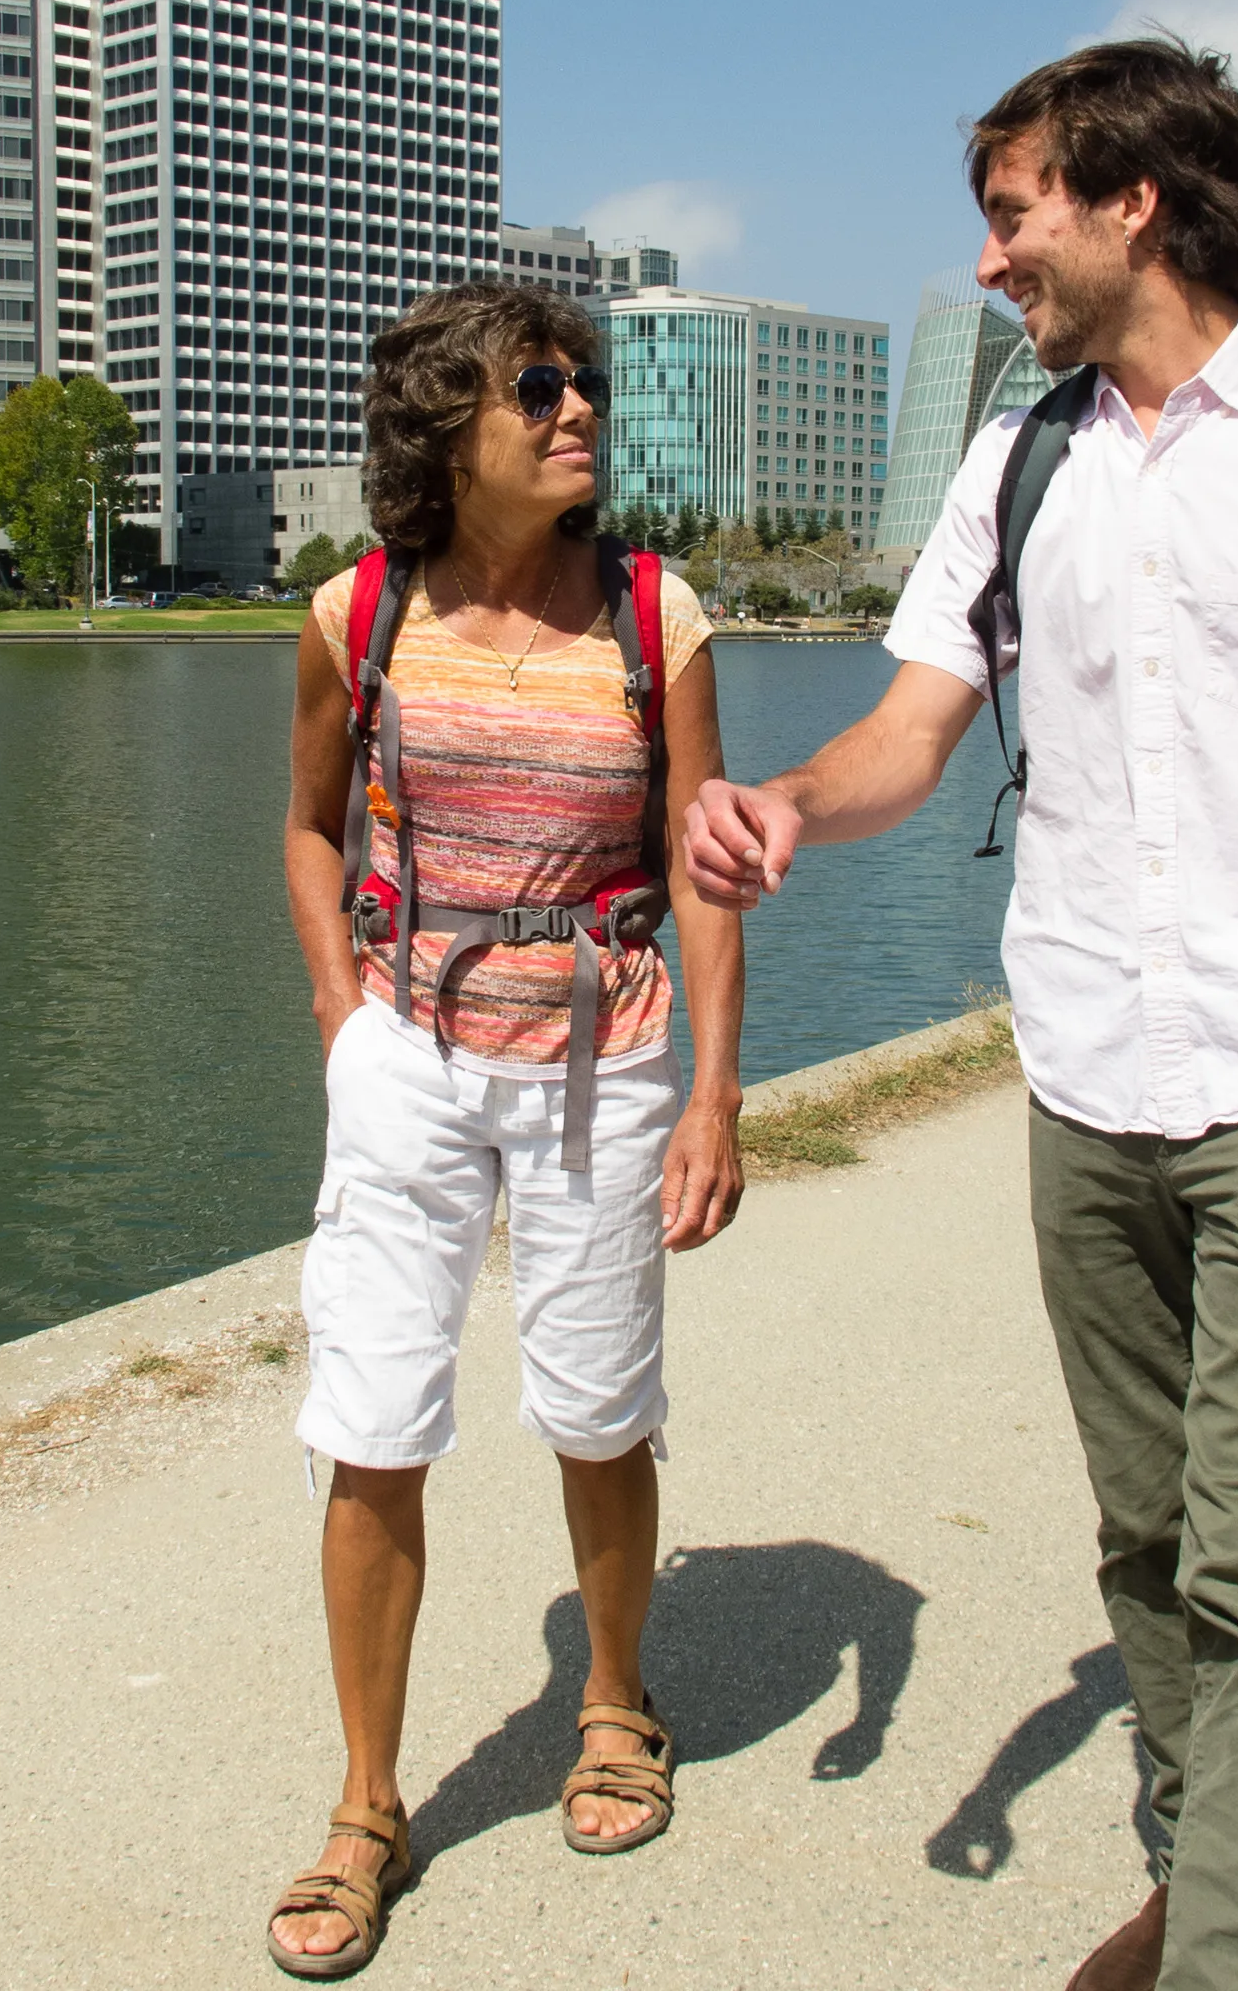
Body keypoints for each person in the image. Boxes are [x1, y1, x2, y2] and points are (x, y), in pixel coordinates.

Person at [682, 37, 1238, 1991]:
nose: (994, 263)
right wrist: (788, 807)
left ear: (1131, 200)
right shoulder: (1024, 458)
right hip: (1083, 1083)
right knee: (1149, 1537)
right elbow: (915, 728)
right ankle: (1206, 1844)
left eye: (1013, 215)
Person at [268, 282, 748, 1978]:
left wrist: (712, 1091)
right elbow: (311, 829)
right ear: (442, 425)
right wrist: (341, 1011)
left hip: (600, 1063)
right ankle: (367, 1800)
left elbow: (703, 867)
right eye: (534, 387)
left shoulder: (653, 615)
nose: (575, 411)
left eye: (581, 384)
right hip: (403, 1052)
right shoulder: (358, 611)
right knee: (373, 1416)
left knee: (599, 1404)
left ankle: (614, 1704)